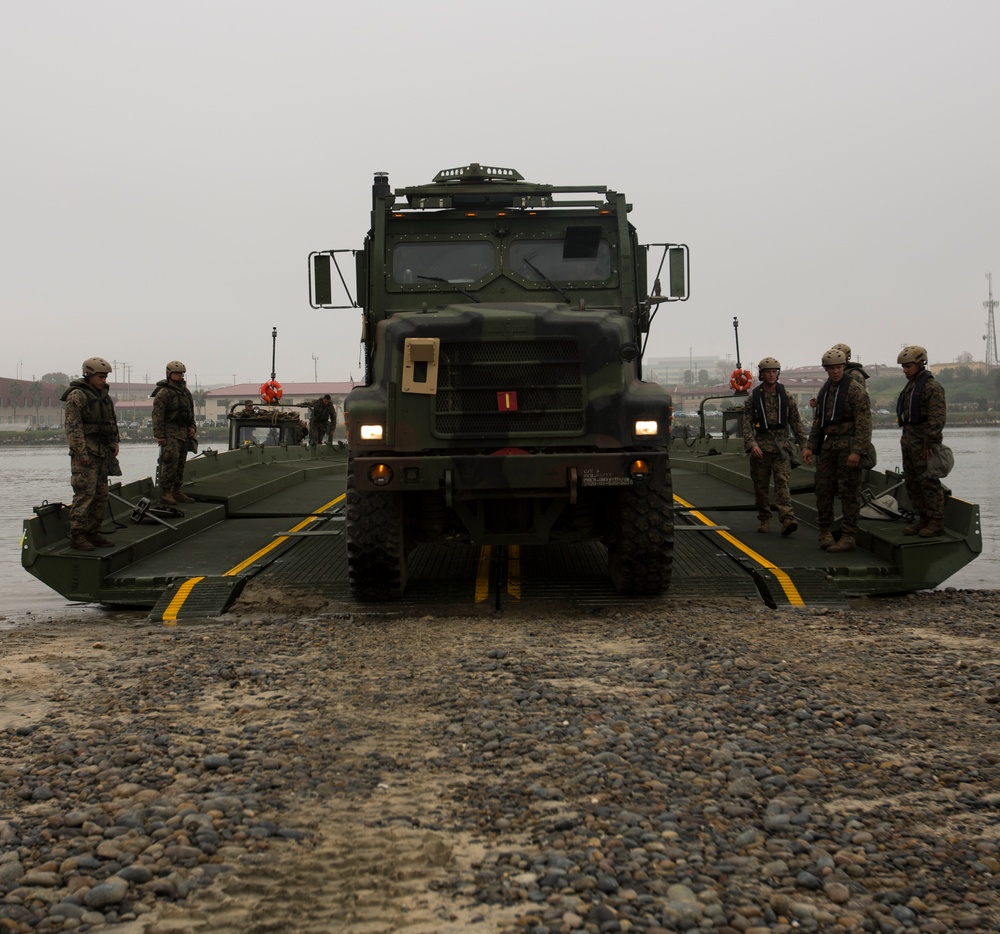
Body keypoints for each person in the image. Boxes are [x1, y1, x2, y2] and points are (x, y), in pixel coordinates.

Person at [802, 347, 872, 553]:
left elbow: (864, 423)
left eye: (838, 367)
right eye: (831, 368)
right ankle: (825, 531)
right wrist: (810, 446)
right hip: (829, 446)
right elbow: (818, 422)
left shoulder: (855, 390)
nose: (835, 372)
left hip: (848, 445)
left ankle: (848, 535)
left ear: (844, 367)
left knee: (849, 491)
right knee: (823, 489)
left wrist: (858, 451)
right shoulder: (826, 391)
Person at [742, 356, 807, 535]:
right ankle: (764, 518)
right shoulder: (753, 398)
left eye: (774, 372)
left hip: (781, 447)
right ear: (761, 374)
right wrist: (751, 444)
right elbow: (746, 424)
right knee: (760, 486)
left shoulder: (785, 396)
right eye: (767, 372)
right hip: (761, 448)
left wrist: (804, 445)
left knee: (782, 484)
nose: (771, 375)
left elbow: (796, 422)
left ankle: (787, 519)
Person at [61, 356, 120, 551]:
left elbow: (111, 422)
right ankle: (77, 534)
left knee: (101, 494)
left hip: (102, 451)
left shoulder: (104, 396)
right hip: (86, 452)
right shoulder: (77, 396)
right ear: (88, 375)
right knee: (85, 494)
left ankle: (93, 531)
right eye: (100, 376)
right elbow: (73, 427)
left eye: (105, 376)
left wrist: (114, 442)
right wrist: (81, 453)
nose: (103, 380)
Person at [896, 345, 947, 538]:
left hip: (924, 442)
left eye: (908, 366)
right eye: (904, 366)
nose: (905, 370)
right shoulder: (911, 386)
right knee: (912, 481)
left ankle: (936, 521)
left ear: (920, 363)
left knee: (928, 481)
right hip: (909, 440)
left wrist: (930, 443)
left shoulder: (931, 387)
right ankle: (923, 517)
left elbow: (937, 418)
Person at [151, 360, 198, 506]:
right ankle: (166, 492)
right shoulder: (164, 393)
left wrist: (192, 427)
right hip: (169, 431)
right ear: (169, 374)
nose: (180, 376)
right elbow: (157, 415)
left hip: (183, 430)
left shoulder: (185, 392)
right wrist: (160, 435)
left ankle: (177, 490)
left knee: (181, 462)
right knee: (170, 460)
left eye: (181, 373)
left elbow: (190, 411)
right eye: (177, 373)